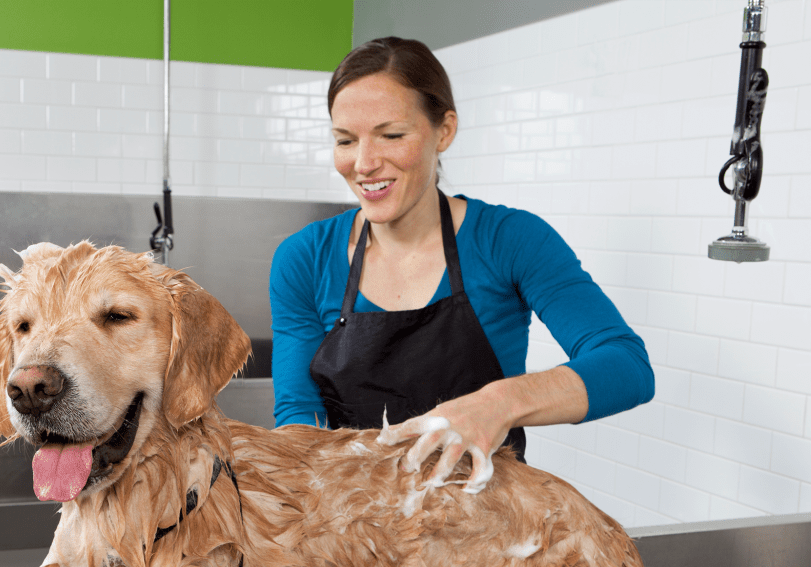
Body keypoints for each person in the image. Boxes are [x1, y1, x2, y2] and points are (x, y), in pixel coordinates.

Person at [269, 36, 654, 491]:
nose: (364, 163)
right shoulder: (303, 259)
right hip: (353, 526)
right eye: (345, 140)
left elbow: (627, 366)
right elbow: (298, 413)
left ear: (444, 131)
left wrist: (498, 403)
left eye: (392, 135)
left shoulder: (509, 240)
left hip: (487, 533)